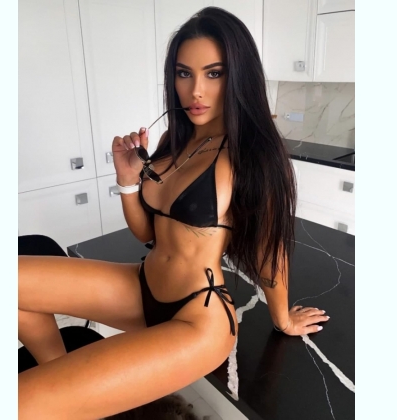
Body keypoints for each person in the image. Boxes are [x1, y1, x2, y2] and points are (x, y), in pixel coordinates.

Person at [18, 7, 329, 419]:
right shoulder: (173, 140)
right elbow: (148, 232)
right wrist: (127, 181)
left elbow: (270, 252)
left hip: (197, 316)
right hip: (141, 287)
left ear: (239, 76)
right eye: (184, 73)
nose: (196, 90)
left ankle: (57, 398)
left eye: (214, 73)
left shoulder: (253, 155)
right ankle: (66, 387)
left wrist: (283, 319)